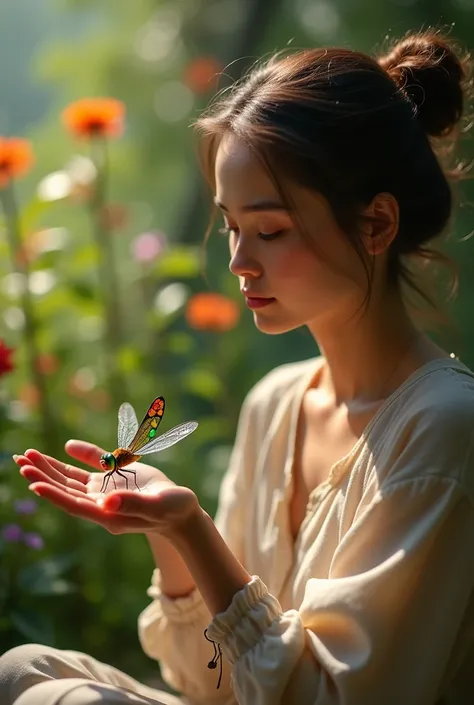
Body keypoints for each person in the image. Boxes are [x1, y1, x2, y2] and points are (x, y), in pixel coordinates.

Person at [2, 26, 474, 705]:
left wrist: (196, 527)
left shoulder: (442, 428)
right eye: (230, 225)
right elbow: (208, 683)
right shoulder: (275, 403)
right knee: (21, 668)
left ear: (375, 225)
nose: (238, 262)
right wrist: (171, 537)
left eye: (272, 230)